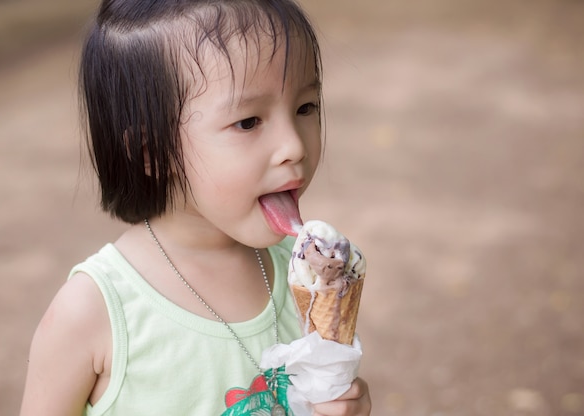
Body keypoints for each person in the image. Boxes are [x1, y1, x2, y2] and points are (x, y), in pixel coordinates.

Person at [20, 0, 371, 415]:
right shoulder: (93, 311)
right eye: (248, 122)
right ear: (152, 153)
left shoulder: (306, 283)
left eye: (305, 107)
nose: (294, 145)